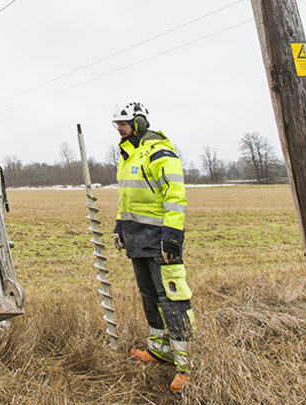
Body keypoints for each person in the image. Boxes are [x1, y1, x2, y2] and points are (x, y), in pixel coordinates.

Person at [111, 100, 194, 394]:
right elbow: (126, 197)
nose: (119, 129)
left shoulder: (160, 151)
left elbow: (176, 194)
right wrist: (120, 226)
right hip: (136, 238)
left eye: (123, 124)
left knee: (171, 298)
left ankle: (185, 365)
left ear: (139, 123)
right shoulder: (126, 156)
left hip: (160, 237)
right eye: (117, 125)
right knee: (148, 295)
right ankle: (159, 350)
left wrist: (172, 234)